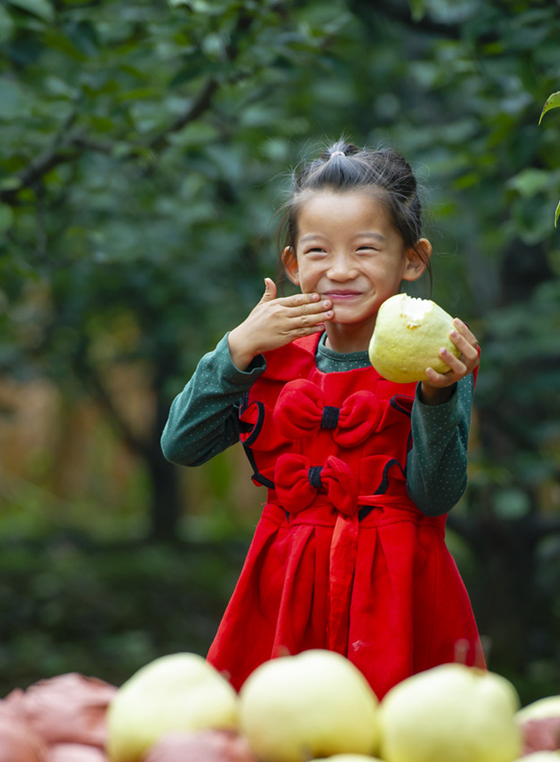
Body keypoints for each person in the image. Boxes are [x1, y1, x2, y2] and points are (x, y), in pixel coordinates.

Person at [161, 139, 483, 699]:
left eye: (365, 249)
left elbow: (435, 496)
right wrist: (235, 349)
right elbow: (181, 445)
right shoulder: (266, 355)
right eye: (317, 251)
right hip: (285, 588)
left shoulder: (438, 360)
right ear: (292, 265)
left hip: (396, 595)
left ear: (412, 259)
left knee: (403, 738)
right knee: (279, 730)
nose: (340, 270)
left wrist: (436, 396)